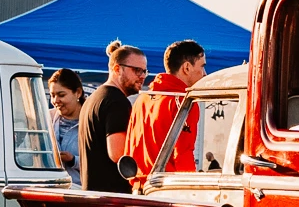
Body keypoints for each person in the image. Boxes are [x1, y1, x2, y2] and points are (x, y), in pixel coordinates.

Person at [122, 39, 206, 185]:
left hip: (139, 188)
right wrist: (192, 189)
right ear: (186, 67)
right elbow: (183, 155)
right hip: (169, 189)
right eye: (202, 66)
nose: (205, 73)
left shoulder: (143, 99)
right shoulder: (183, 102)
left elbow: (131, 149)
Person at [82, 41, 148, 192]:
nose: (142, 76)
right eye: (137, 70)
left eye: (145, 71)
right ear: (117, 69)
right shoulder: (116, 102)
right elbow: (118, 154)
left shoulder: (94, 98)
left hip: (94, 197)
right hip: (112, 199)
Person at [48, 68, 85, 186]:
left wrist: (73, 160)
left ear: (78, 93)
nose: (55, 100)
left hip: (80, 192)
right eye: (52, 95)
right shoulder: (46, 118)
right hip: (49, 189)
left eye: (61, 95)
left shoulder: (91, 122)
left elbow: (101, 164)